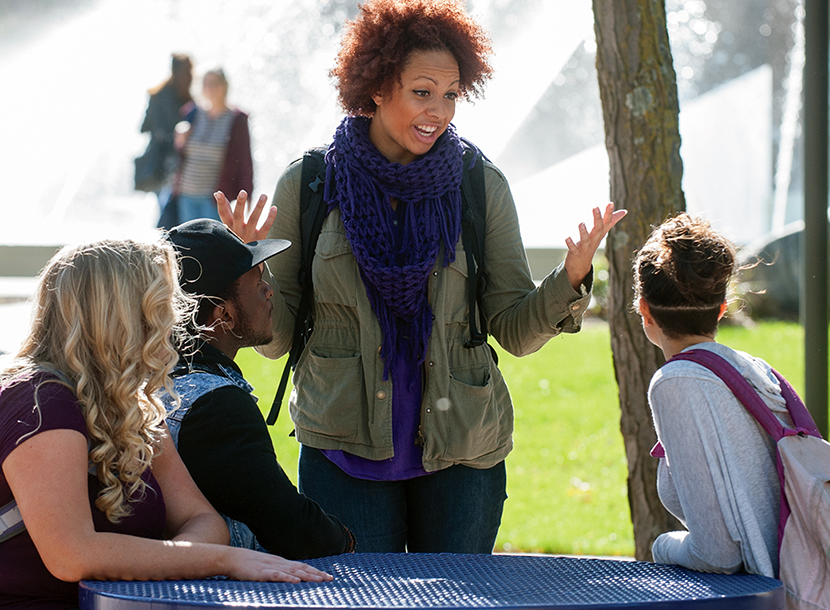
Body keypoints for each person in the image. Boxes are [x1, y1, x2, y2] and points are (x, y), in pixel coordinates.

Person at [216, 0, 625, 554]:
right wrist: (248, 265)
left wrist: (570, 279)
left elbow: (514, 330)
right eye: (422, 91)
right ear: (379, 86)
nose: (439, 110)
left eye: (452, 93)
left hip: (463, 453)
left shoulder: (480, 185)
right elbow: (278, 340)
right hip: (344, 450)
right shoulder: (311, 183)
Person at [0, 239, 331, 610]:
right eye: (162, 306)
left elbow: (205, 522)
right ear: (117, 315)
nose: (175, 321)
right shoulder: (40, 400)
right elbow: (72, 554)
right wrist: (219, 560)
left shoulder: (134, 402)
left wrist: (170, 557)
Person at [160, 219, 354, 560]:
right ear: (224, 315)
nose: (269, 289)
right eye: (257, 281)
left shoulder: (151, 378)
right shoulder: (216, 408)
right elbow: (293, 528)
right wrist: (347, 540)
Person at [634, 213, 788, 577]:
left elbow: (717, 555)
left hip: (758, 594)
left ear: (643, 311)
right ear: (721, 310)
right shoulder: (754, 369)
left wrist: (660, 546)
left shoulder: (677, 382)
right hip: (802, 577)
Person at [168, 68, 254, 226]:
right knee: (188, 247)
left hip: (216, 197)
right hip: (186, 193)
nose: (210, 88)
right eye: (206, 83)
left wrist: (247, 194)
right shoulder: (192, 112)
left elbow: (244, 160)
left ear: (225, 86)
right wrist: (179, 138)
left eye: (215, 83)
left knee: (212, 246)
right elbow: (179, 151)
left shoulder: (237, 119)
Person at [138, 54, 194, 216]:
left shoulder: (158, 95)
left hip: (162, 163)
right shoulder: (181, 97)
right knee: (168, 211)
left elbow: (144, 127)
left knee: (167, 209)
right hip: (169, 163)